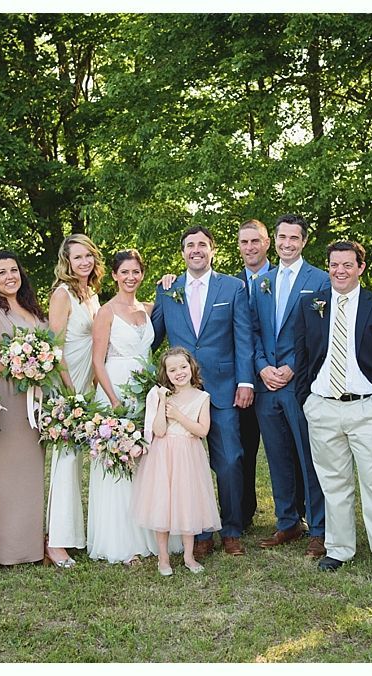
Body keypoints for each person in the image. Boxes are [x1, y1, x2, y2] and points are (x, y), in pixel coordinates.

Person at [293, 241, 372, 583]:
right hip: (323, 408)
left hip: (367, 407)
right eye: (333, 265)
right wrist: (306, 400)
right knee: (333, 483)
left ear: (361, 267)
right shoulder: (311, 305)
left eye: (346, 265)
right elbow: (302, 357)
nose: (339, 271)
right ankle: (338, 548)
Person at [151, 225, 254, 559]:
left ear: (212, 250)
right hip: (181, 393)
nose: (196, 250)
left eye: (202, 245)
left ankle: (232, 529)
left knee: (230, 460)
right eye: (189, 245)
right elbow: (150, 335)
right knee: (186, 466)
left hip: (223, 389)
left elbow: (243, 336)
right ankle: (198, 532)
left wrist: (245, 381)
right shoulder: (168, 289)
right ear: (182, 253)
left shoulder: (233, 287)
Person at [250, 214, 328, 558]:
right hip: (267, 384)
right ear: (274, 241)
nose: (286, 243)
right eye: (281, 237)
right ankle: (287, 522)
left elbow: (321, 334)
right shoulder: (261, 282)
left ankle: (320, 527)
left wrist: (294, 367)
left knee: (309, 455)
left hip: (300, 383)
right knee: (277, 455)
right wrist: (262, 367)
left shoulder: (321, 280)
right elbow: (250, 330)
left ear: (303, 242)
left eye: (293, 238)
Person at [0, 250, 47, 566]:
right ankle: (8, 551)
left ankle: (33, 546)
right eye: (1, 273)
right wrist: (19, 367)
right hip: (3, 398)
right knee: (4, 474)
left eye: (13, 270)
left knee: (31, 473)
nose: (9, 277)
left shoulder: (30, 307)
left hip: (33, 400)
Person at [89, 249, 165, 564]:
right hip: (115, 390)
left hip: (144, 389)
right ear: (115, 276)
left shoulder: (149, 309)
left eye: (136, 272)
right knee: (118, 463)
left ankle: (149, 532)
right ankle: (122, 542)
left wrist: (167, 284)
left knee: (145, 460)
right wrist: (114, 400)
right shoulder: (105, 312)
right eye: (125, 272)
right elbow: (97, 362)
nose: (131, 277)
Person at [132, 347, 221, 576]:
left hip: (188, 456)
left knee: (187, 502)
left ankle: (189, 556)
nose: (178, 372)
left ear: (191, 367)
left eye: (182, 367)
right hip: (163, 455)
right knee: (162, 503)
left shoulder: (202, 397)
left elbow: (202, 430)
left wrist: (179, 416)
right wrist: (162, 403)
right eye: (172, 369)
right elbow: (159, 431)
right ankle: (163, 558)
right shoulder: (161, 395)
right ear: (166, 374)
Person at [45, 234, 104, 568]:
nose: (84, 262)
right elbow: (55, 348)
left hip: (87, 384)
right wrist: (71, 393)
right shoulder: (62, 294)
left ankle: (74, 534)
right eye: (77, 258)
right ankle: (56, 542)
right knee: (65, 462)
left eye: (88, 257)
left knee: (79, 461)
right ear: (66, 262)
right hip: (67, 388)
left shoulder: (92, 294)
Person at [235, 219, 272, 531]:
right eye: (244, 242)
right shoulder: (230, 284)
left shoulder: (283, 277)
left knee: (285, 450)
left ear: (267, 243)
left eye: (255, 241)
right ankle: (244, 512)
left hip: (278, 379)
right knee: (243, 449)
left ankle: (295, 513)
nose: (250, 247)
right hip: (242, 381)